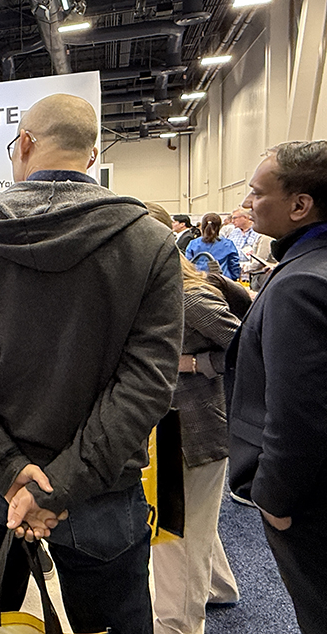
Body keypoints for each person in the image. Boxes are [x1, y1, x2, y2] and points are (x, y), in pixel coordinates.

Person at [0, 93, 182, 634]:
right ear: (92, 156)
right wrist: (58, 485)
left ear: (24, 144)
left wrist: (11, 473)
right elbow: (147, 383)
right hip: (102, 489)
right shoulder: (150, 241)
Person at [226, 141, 327, 633]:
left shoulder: (298, 285)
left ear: (299, 205)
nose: (247, 204)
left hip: (308, 505)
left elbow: (300, 414)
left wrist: (274, 500)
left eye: (257, 192)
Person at [145, 203, 240, 634]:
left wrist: (193, 364)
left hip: (191, 431)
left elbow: (250, 350)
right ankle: (217, 586)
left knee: (175, 533)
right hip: (170, 426)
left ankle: (177, 626)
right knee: (194, 520)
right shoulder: (161, 288)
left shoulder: (187, 295)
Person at [186, 213, 241, 280]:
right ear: (219, 227)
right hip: (222, 280)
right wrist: (235, 277)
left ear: (202, 226)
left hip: (198, 280)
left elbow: (188, 264)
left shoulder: (193, 243)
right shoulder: (228, 244)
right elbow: (234, 265)